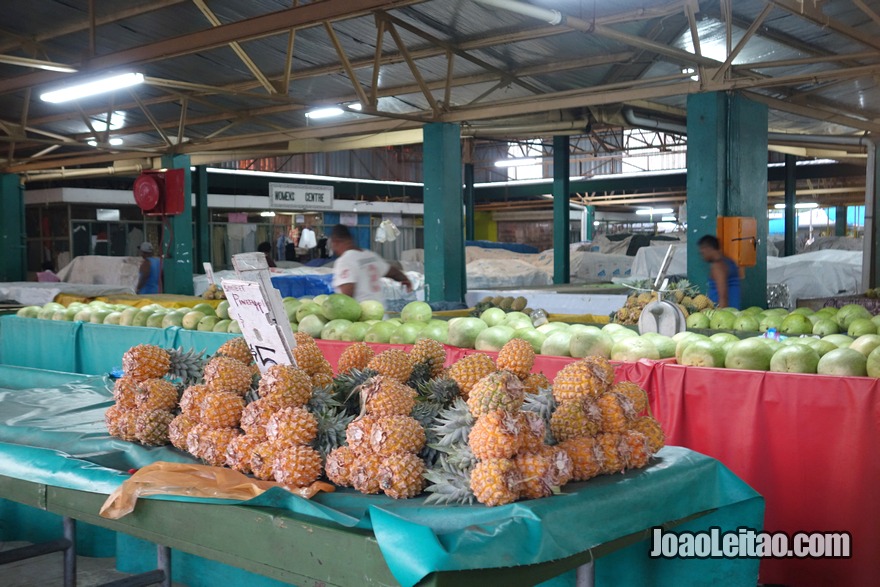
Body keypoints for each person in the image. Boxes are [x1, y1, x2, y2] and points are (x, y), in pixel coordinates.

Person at [329, 224, 411, 303]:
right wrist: (405, 280)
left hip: (362, 314)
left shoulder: (345, 261)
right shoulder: (371, 255)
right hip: (380, 312)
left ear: (336, 242)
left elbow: (346, 295)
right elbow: (392, 271)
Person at [698, 235, 741, 309]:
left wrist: (722, 313)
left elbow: (723, 296)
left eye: (702, 253)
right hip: (733, 309)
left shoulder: (718, 266)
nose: (702, 256)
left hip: (724, 311)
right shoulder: (729, 262)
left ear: (708, 248)